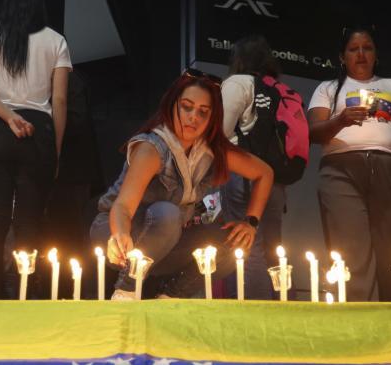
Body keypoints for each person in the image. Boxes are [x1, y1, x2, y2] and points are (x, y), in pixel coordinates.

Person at [90, 69, 274, 300]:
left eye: (203, 112)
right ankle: (126, 290)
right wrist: (119, 235)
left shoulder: (212, 150)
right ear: (172, 106)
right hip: (119, 234)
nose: (193, 117)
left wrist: (251, 223)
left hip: (168, 241)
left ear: (212, 117)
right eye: (187, 107)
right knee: (167, 213)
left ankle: (170, 296)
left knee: (233, 242)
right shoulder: (153, 147)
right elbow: (122, 207)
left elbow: (264, 173)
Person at [0, 0, 71, 299]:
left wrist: (7, 116)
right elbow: (59, 100)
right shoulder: (56, 41)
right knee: (29, 222)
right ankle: (23, 298)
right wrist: (56, 151)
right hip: (38, 135)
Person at [307, 26, 391, 302]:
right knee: (351, 249)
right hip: (341, 170)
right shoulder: (328, 88)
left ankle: (390, 316)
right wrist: (340, 120)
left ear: (376, 54)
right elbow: (312, 132)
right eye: (353, 49)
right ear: (342, 57)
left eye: (367, 48)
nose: (361, 54)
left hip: (390, 169)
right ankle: (360, 317)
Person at [221, 35, 285, 300]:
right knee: (271, 251)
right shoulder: (277, 90)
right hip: (274, 180)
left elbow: (220, 133)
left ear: (237, 59)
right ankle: (278, 312)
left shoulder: (237, 83)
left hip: (244, 174)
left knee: (247, 250)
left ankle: (252, 314)